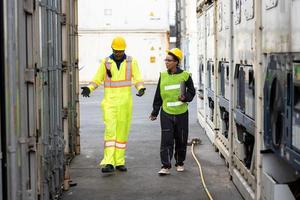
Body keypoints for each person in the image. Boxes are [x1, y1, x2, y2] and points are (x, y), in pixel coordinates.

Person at [81, 36, 146, 173]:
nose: (118, 53)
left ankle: (120, 162)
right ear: (112, 49)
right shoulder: (106, 63)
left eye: (120, 51)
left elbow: (138, 78)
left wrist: (140, 88)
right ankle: (109, 162)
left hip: (125, 104)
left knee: (122, 133)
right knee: (110, 132)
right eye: (116, 51)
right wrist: (89, 88)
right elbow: (97, 79)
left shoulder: (131, 61)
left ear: (124, 50)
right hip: (109, 103)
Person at [149, 48, 195, 175]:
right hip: (167, 113)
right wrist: (155, 112)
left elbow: (192, 91)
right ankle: (166, 166)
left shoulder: (185, 75)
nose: (166, 62)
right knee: (166, 140)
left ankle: (180, 162)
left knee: (181, 139)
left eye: (169, 60)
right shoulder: (163, 76)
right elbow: (158, 95)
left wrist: (185, 97)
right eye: (166, 60)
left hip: (181, 113)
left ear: (176, 62)